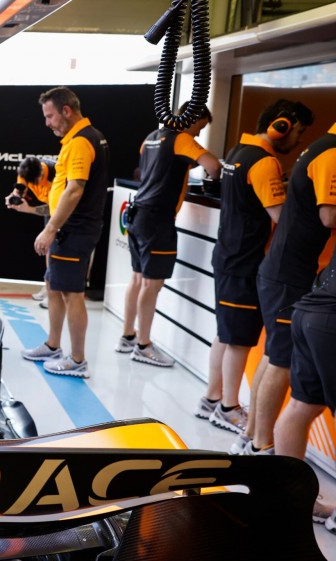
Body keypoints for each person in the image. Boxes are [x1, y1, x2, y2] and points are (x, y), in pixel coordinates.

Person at [199, 99, 313, 441]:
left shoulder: (238, 151)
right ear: (281, 126)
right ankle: (229, 407)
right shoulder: (264, 163)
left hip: (229, 256)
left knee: (226, 332)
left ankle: (212, 398)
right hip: (245, 261)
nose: (299, 141)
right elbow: (280, 216)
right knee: (239, 340)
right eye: (299, 132)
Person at [266, 121, 336, 529]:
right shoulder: (330, 153)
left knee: (301, 406)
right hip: (328, 317)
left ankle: (288, 497)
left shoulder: (315, 149)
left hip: (310, 308)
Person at [117, 102, 221, 367]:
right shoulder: (182, 139)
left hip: (138, 213)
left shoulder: (150, 138)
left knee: (138, 279)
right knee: (152, 285)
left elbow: (160, 167)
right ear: (191, 118)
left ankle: (128, 336)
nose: (198, 135)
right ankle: (143, 345)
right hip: (157, 220)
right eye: (200, 127)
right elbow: (213, 166)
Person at [20, 87, 109, 378]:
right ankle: (53, 345)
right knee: (54, 288)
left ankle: (78, 360)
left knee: (72, 294)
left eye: (50, 116)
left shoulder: (83, 141)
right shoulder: (77, 139)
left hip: (74, 230)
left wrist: (50, 228)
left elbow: (74, 190)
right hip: (68, 231)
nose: (47, 123)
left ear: (66, 111)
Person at [5, 156, 55, 303]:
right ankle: (48, 286)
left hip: (66, 212)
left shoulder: (57, 175)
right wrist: (15, 197)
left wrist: (30, 209)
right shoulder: (25, 172)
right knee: (48, 250)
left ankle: (54, 292)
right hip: (49, 206)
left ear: (41, 175)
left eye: (35, 182)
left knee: (57, 251)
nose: (32, 185)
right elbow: (19, 189)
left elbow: (56, 209)